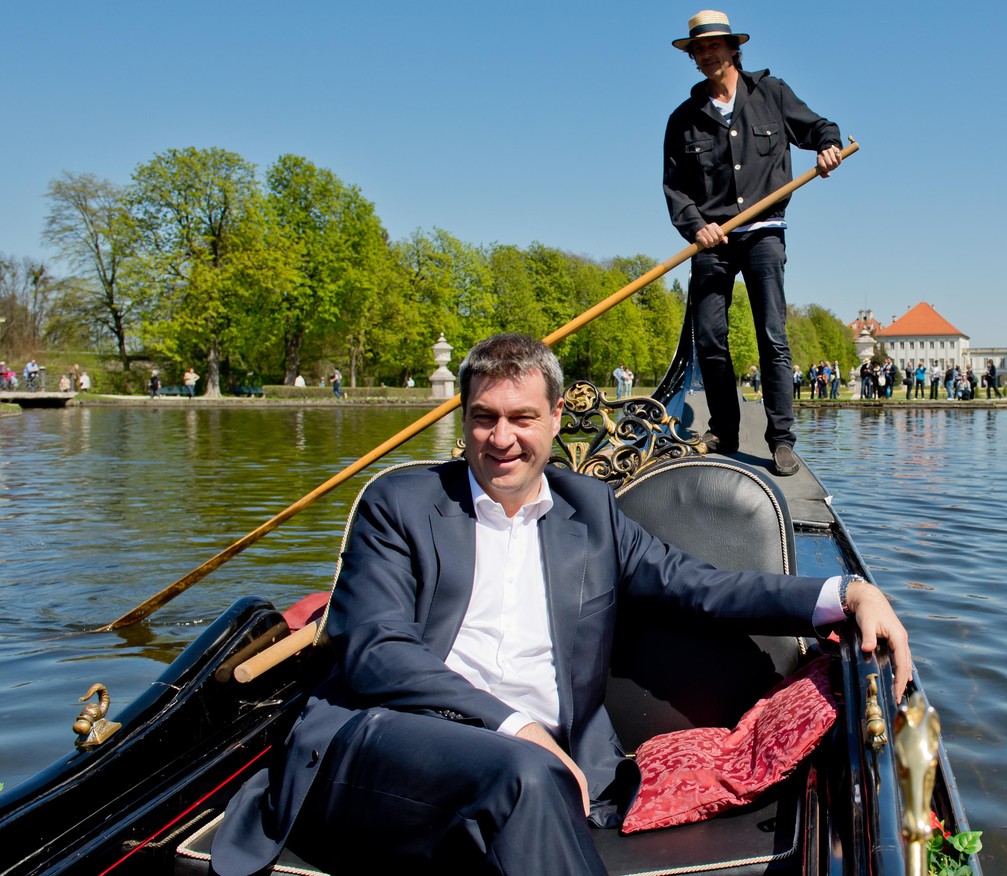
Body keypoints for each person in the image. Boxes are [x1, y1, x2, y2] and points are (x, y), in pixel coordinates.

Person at [212, 333, 913, 876]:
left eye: (521, 417)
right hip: (386, 745)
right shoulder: (402, 504)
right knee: (525, 773)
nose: (502, 438)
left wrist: (845, 593)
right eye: (483, 418)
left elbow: (700, 585)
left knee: (528, 777)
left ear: (555, 418)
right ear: (464, 421)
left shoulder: (590, 512)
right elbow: (375, 652)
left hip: (541, 769)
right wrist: (515, 726)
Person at [663, 10, 843, 477]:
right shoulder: (683, 119)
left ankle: (780, 440)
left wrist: (827, 147)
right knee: (710, 340)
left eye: (712, 47)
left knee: (772, 335)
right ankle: (724, 430)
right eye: (698, 50)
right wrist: (695, 226)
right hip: (712, 242)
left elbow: (818, 127)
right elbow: (676, 189)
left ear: (732, 49)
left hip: (764, 232)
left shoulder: (771, 93)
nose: (705, 55)